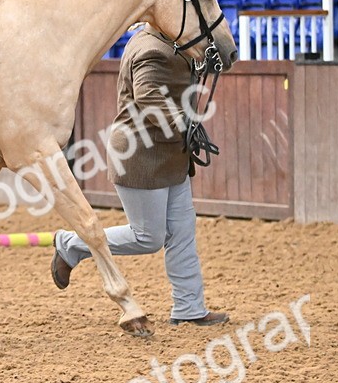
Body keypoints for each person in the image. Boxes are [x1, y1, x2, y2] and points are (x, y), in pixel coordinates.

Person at [50, 24, 229, 326]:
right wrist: (187, 125)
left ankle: (189, 309)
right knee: (147, 237)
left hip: (170, 153)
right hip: (141, 157)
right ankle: (71, 244)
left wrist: (200, 61)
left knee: (182, 232)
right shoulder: (150, 51)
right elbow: (150, 103)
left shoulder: (167, 40)